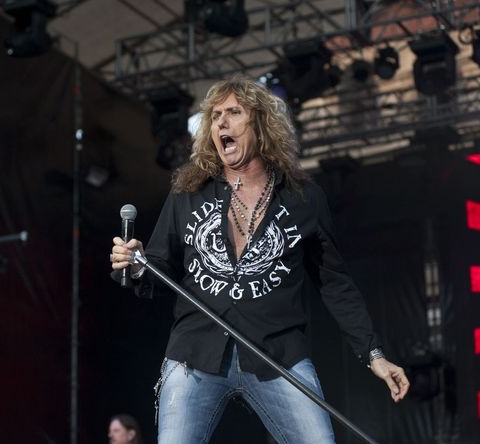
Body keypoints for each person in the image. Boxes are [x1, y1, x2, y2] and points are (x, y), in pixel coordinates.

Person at [109, 77, 409, 443]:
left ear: (261, 123)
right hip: (195, 354)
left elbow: (335, 284)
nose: (221, 122)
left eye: (234, 112)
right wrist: (137, 265)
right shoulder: (188, 192)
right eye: (215, 115)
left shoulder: (303, 199)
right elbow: (159, 265)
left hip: (278, 355)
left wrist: (373, 353)